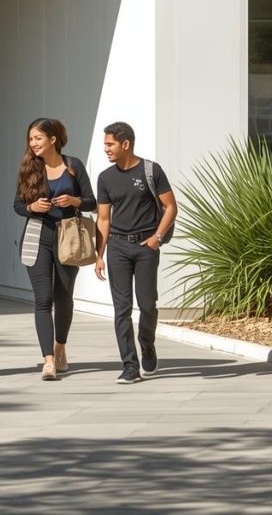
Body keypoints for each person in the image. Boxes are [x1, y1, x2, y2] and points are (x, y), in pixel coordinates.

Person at [95, 121, 178, 385]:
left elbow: (171, 207)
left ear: (125, 144)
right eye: (105, 143)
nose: (105, 148)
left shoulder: (151, 170)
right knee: (121, 308)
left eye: (110, 144)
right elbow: (104, 219)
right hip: (117, 247)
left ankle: (148, 344)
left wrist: (157, 238)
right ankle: (130, 365)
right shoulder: (105, 177)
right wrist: (99, 254)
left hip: (146, 246)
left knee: (147, 305)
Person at [13, 117, 97, 380]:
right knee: (42, 300)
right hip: (37, 237)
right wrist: (31, 208)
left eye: (38, 138)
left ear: (52, 139)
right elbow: (16, 204)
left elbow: (92, 202)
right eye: (30, 139)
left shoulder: (73, 166)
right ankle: (48, 360)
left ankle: (60, 347)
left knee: (63, 299)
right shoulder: (29, 167)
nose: (33, 143)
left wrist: (74, 200)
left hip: (68, 238)